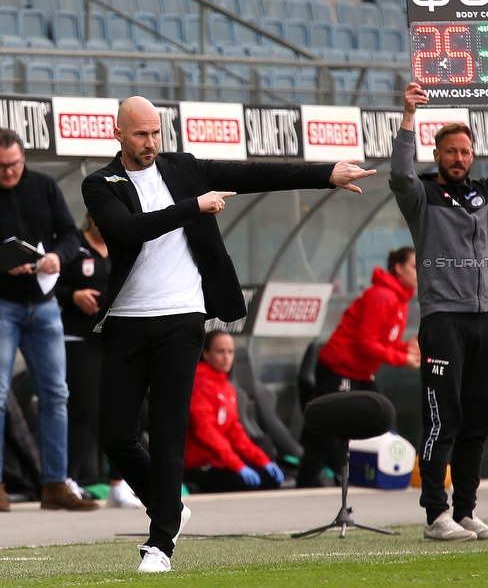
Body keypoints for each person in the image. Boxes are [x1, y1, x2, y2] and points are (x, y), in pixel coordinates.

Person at [81, 96, 374, 572]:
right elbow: (128, 230)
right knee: (115, 435)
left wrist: (325, 174)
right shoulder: (100, 184)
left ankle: (160, 546)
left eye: (156, 132)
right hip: (128, 322)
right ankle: (169, 508)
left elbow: (255, 174)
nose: (151, 142)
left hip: (182, 318)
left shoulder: (183, 167)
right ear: (118, 134)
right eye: (140, 134)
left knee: (170, 430)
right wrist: (192, 207)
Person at [390, 79, 488, 542]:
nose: (459, 158)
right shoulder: (421, 197)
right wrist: (407, 118)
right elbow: (398, 176)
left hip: (487, 320)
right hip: (444, 321)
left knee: (478, 419)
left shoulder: (487, 194)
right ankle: (435, 516)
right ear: (436, 155)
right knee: (444, 419)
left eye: (465, 151)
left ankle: (465, 512)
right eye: (451, 152)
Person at [0, 127, 98, 513]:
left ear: (24, 158)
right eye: (2, 167)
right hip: (3, 303)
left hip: (42, 304)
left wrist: (59, 255)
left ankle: (55, 484)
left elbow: (71, 233)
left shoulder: (42, 186)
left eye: (15, 165)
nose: (9, 173)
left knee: (57, 394)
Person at [296, 246, 421, 489]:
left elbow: (383, 342)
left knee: (382, 421)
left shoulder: (400, 300)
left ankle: (382, 477)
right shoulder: (383, 296)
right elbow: (366, 343)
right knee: (324, 436)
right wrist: (401, 359)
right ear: (399, 268)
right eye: (416, 266)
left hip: (361, 372)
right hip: (339, 370)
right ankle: (304, 489)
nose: (421, 272)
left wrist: (406, 348)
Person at [56, 213, 141, 508]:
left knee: (121, 407)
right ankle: (68, 479)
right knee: (83, 406)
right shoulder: (73, 246)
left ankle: (119, 483)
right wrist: (74, 295)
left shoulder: (123, 245)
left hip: (114, 337)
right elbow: (49, 285)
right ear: (90, 216)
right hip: (78, 337)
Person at [183, 330, 283, 493]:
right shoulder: (199, 385)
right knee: (249, 483)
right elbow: (206, 431)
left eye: (231, 352)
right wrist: (237, 465)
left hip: (221, 461)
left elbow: (234, 431)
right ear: (206, 354)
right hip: (199, 464)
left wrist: (263, 460)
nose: (227, 358)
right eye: (220, 352)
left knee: (269, 478)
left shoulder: (227, 387)